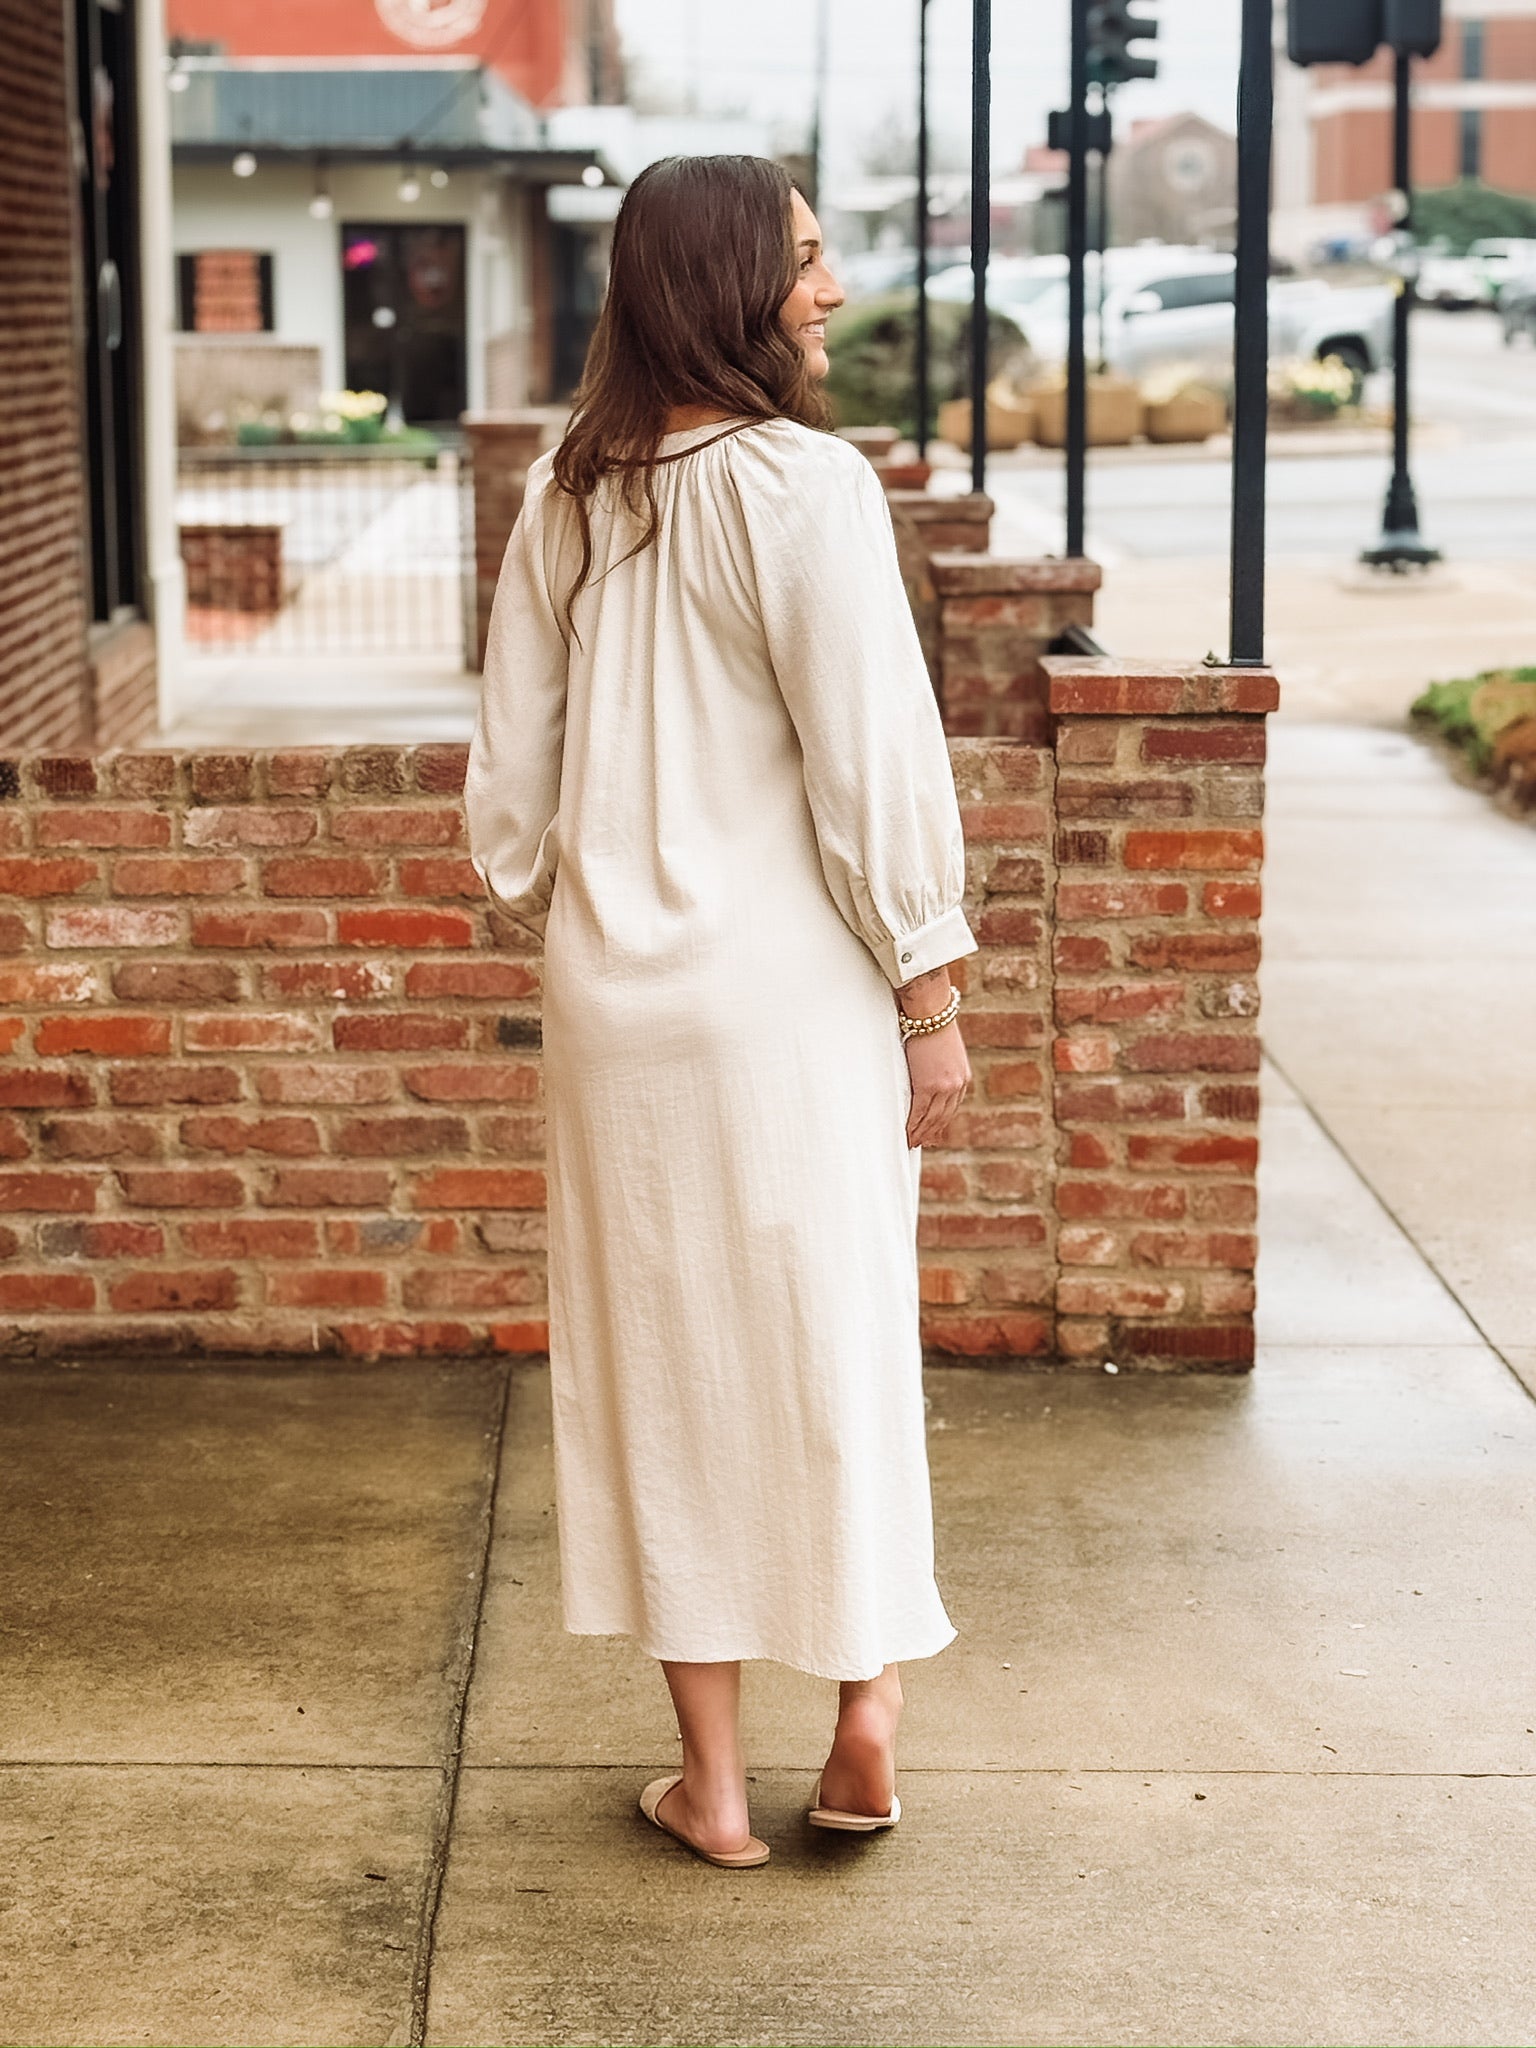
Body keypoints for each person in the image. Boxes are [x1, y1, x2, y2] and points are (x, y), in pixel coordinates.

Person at [463, 154, 977, 1871]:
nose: (828, 294)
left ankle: (716, 1788)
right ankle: (865, 1717)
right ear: (728, 282)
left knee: (662, 1367)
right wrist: (928, 983)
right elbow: (874, 764)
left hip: (624, 1009)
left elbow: (511, 796)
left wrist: (583, 904)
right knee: (833, 1338)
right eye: (808, 263)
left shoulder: (569, 492)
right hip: (795, 1007)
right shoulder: (811, 488)